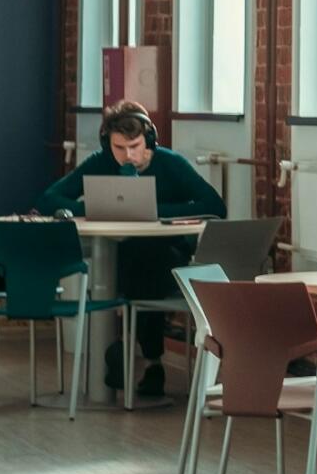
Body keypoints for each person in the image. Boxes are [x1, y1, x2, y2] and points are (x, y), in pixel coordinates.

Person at [41, 103, 226, 398]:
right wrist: (94, 209)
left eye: (135, 146)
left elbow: (215, 206)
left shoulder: (170, 163)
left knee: (143, 263)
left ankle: (124, 346)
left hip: (167, 253)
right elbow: (48, 199)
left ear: (149, 140)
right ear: (108, 144)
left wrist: (155, 210)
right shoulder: (101, 162)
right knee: (131, 263)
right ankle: (147, 360)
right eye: (119, 148)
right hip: (119, 254)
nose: (128, 155)